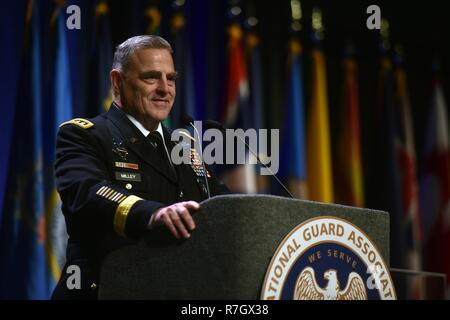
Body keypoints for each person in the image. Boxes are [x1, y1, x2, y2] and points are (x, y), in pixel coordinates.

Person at [51, 35, 229, 299]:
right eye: (151, 77)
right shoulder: (85, 135)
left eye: (171, 79)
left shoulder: (183, 147)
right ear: (117, 81)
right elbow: (87, 192)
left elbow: (223, 203)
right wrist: (152, 214)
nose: (164, 89)